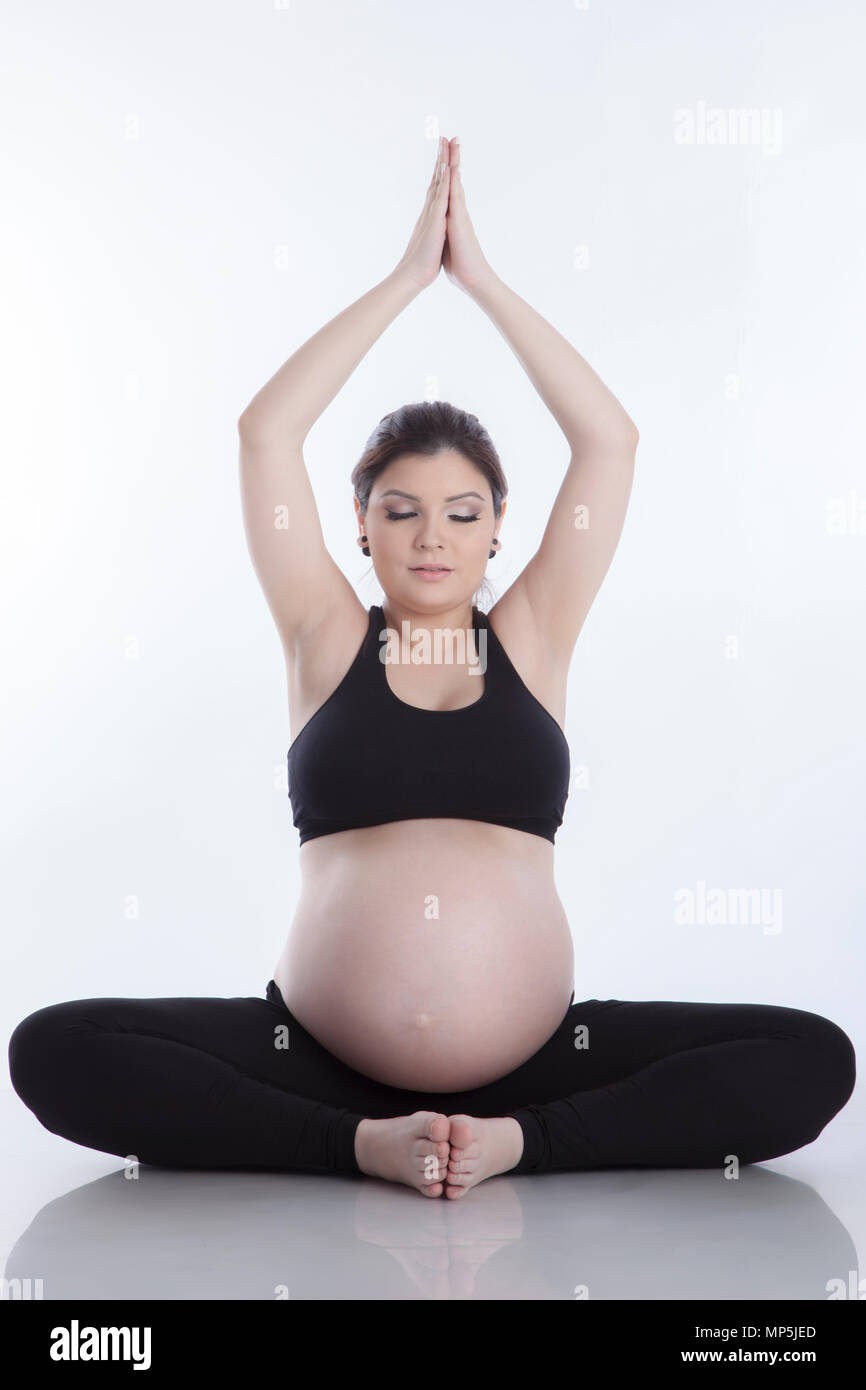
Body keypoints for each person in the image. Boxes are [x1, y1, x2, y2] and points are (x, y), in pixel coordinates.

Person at [8, 137, 855, 1200]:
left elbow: (610, 443)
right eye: (397, 511)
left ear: (498, 527)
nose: (429, 537)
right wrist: (407, 280)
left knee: (810, 1057)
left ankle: (514, 1138)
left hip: (539, 1065)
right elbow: (265, 432)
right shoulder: (324, 636)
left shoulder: (533, 636)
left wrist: (481, 283)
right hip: (307, 1063)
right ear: (358, 528)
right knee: (53, 1047)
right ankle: (353, 1142)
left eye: (461, 513)